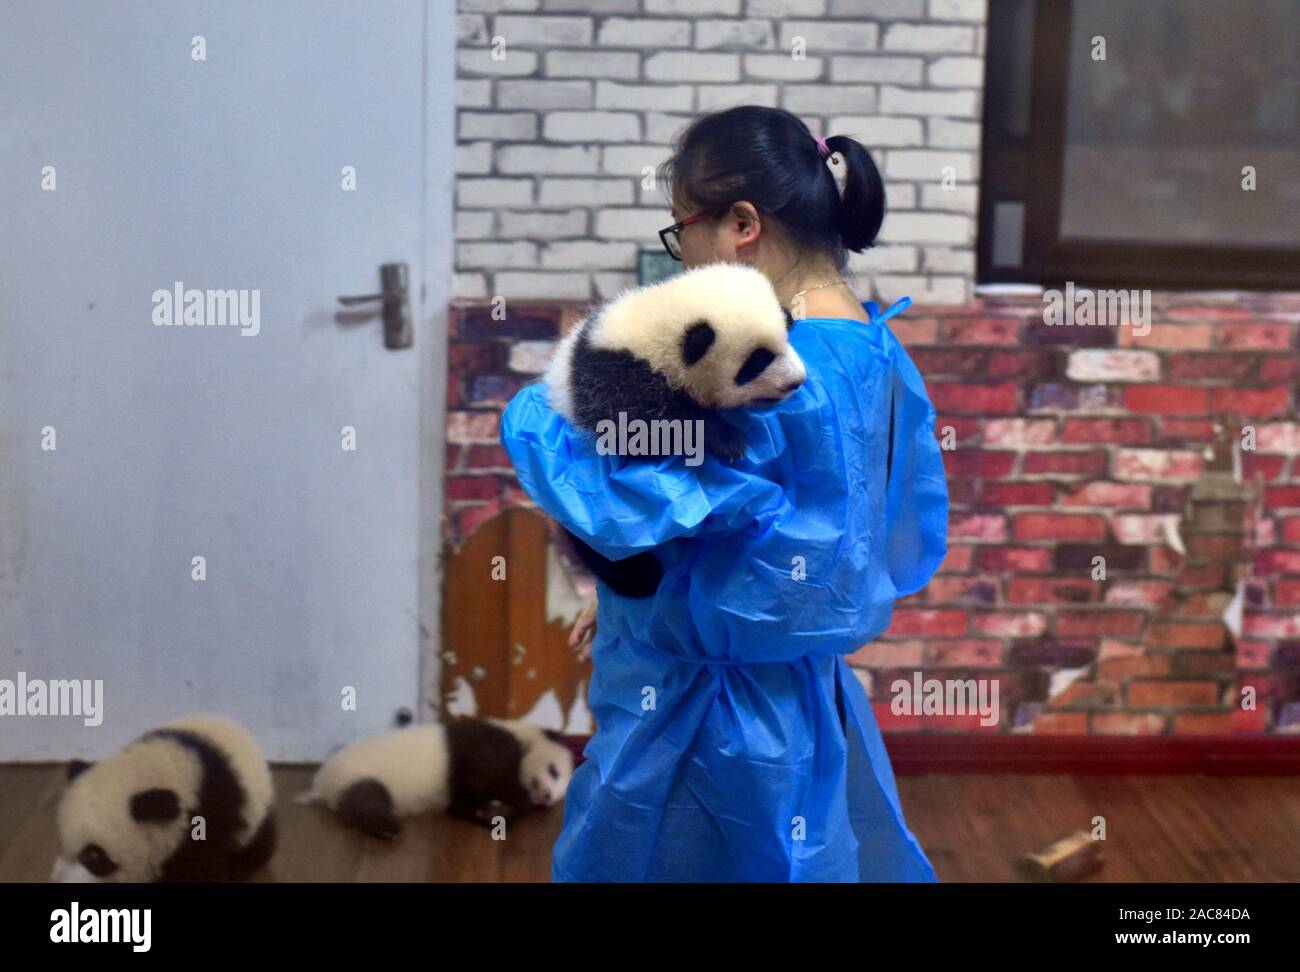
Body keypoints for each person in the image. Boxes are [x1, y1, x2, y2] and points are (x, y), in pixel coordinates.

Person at [500, 105, 949, 881]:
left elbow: (618, 487)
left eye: (683, 231)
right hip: (803, 701)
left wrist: (546, 396)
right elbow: (859, 525)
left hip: (696, 724)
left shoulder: (766, 374)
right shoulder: (877, 353)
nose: (682, 262)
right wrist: (631, 587)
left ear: (741, 224)